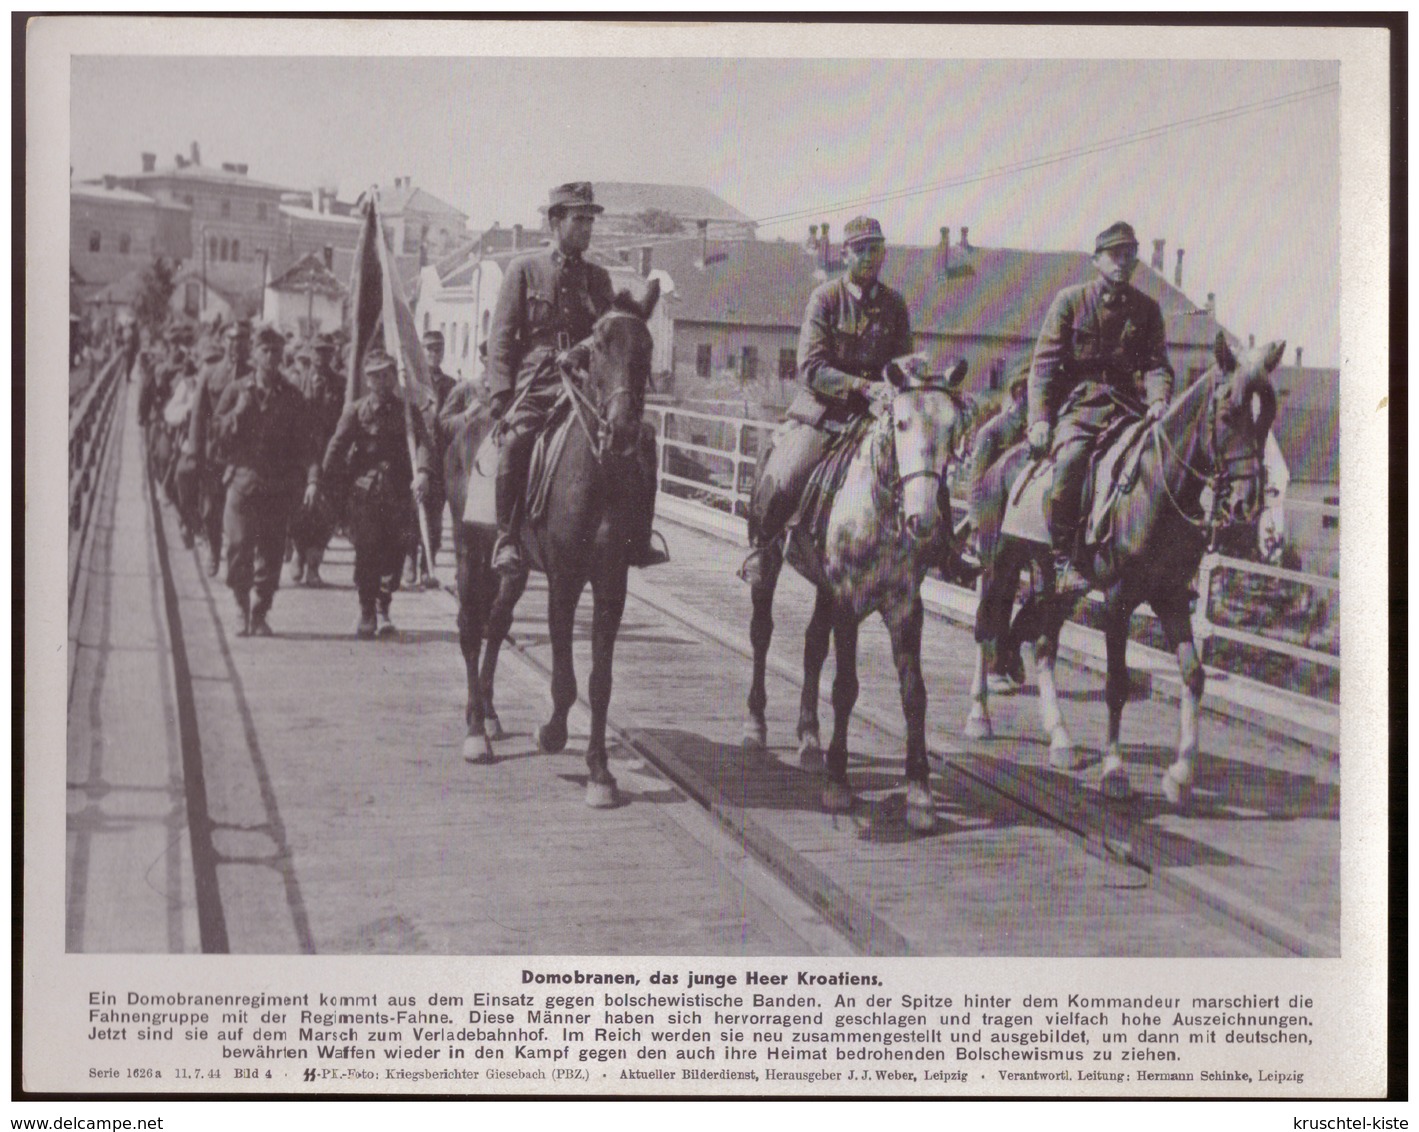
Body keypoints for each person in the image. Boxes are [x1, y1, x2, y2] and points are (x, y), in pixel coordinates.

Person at [487, 181, 667, 576]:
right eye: (579, 219)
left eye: (590, 220)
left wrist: (582, 351)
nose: (587, 228)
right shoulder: (524, 270)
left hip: (586, 385)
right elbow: (501, 336)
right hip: (537, 382)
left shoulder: (598, 278)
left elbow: (608, 330)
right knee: (518, 440)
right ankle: (507, 538)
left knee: (642, 441)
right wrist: (501, 393)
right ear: (555, 221)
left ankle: (640, 535)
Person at [739, 214, 914, 586]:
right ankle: (762, 549)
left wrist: (902, 383)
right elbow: (811, 367)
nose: (869, 257)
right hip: (823, 412)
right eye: (861, 250)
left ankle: (938, 549)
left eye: (876, 249)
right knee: (787, 475)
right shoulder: (825, 299)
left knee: (920, 470)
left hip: (876, 416)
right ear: (844, 255)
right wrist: (863, 387)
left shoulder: (895, 305)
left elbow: (901, 365)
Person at [1027, 221, 1173, 594]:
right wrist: (1040, 420)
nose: (1123, 263)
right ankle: (1062, 560)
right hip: (1080, 406)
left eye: (1129, 255)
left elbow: (1157, 364)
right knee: (1072, 460)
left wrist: (1158, 399)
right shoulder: (1071, 302)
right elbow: (1043, 366)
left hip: (1128, 409)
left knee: (1163, 465)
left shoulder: (1147, 310)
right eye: (1115, 255)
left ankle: (1162, 566)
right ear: (1096, 260)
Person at [318, 349, 432, 639]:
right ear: (367, 380)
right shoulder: (356, 411)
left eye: (386, 374)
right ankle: (368, 609)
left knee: (394, 555)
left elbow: (424, 444)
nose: (381, 381)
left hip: (397, 493)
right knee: (367, 554)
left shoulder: (407, 412)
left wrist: (422, 472)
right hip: (364, 495)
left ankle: (385, 605)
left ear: (394, 376)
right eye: (375, 376)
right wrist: (332, 487)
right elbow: (336, 449)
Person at [211, 324, 316, 637]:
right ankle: (241, 606)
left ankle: (260, 611)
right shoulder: (237, 391)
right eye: (265, 351)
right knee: (239, 547)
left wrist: (311, 479)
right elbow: (215, 433)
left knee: (271, 554)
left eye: (276, 351)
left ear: (283, 356)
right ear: (254, 355)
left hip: (277, 488)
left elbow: (306, 444)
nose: (270, 357)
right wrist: (237, 415)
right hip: (243, 483)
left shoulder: (293, 397)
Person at [181, 319, 253, 576]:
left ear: (249, 344)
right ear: (225, 342)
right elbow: (199, 415)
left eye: (242, 340)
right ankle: (213, 549)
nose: (236, 345)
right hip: (215, 454)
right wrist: (194, 452)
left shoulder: (254, 375)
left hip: (244, 456)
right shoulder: (211, 372)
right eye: (232, 340)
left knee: (242, 510)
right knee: (212, 507)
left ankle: (239, 559)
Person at [287, 337, 345, 586]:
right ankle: (299, 552)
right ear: (310, 354)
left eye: (326, 352)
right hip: (299, 456)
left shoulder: (341, 384)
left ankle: (314, 564)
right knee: (299, 508)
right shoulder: (296, 382)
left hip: (329, 455)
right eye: (317, 352)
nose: (321, 357)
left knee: (326, 511)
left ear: (332, 355)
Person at [404, 328, 459, 587]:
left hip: (440, 458)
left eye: (438, 349)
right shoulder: (411, 384)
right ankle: (408, 560)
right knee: (411, 511)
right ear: (421, 351)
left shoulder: (451, 386)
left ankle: (428, 564)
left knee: (435, 515)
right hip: (413, 457)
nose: (433, 353)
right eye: (429, 348)